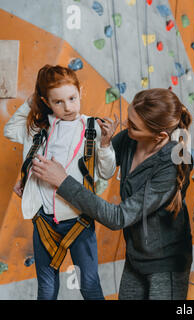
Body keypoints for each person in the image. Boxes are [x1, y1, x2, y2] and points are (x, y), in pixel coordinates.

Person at [31, 88, 194, 300]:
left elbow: (118, 217)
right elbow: (89, 164)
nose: (126, 126)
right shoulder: (129, 139)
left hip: (166, 264)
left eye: (134, 126)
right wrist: (32, 178)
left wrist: (62, 182)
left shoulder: (173, 163)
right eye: (129, 118)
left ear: (160, 136)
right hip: (136, 256)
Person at [3, 64, 117, 300]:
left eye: (72, 98)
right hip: (44, 220)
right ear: (46, 101)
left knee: (89, 284)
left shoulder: (92, 127)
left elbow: (106, 173)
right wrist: (34, 99)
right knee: (46, 289)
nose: (67, 107)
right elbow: (9, 130)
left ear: (80, 91)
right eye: (58, 102)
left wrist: (105, 146)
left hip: (78, 219)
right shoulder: (39, 128)